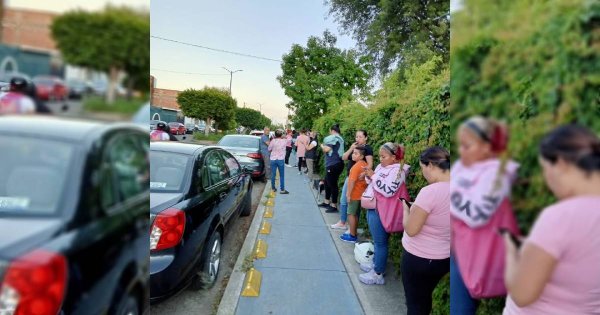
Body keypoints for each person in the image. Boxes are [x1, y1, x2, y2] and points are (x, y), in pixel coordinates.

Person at [503, 125, 600, 314]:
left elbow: (522, 295)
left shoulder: (561, 217)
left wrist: (511, 253)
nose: (547, 180)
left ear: (561, 164)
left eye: (545, 169)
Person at [450, 116, 520, 315]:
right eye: (460, 145)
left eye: (467, 146)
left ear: (487, 146)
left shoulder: (498, 173)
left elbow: (477, 214)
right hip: (459, 248)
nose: (461, 151)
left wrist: (451, 195)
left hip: (476, 249)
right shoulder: (462, 167)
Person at [401, 146, 451, 315]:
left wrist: (406, 210)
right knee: (424, 300)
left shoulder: (430, 192)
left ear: (430, 165)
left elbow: (411, 229)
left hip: (419, 258)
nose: (423, 174)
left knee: (415, 305)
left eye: (423, 169)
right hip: (444, 258)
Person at [359, 142, 409, 285]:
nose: (380, 159)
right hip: (374, 207)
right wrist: (368, 176)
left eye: (384, 156)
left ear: (394, 157)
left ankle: (378, 273)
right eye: (379, 156)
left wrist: (373, 176)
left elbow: (388, 190)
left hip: (382, 210)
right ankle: (376, 264)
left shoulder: (399, 171)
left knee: (381, 243)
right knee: (378, 241)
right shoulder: (382, 166)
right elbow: (375, 182)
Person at [331, 130, 374, 230]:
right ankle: (345, 223)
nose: (358, 139)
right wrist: (351, 148)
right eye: (356, 137)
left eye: (360, 137)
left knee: (348, 200)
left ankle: (345, 224)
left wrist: (364, 173)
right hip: (350, 176)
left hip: (358, 178)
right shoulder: (355, 147)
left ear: (366, 138)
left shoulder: (367, 149)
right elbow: (344, 157)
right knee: (346, 200)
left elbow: (370, 163)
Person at [339, 145, 368, 243]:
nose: (353, 155)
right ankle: (353, 233)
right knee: (355, 214)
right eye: (353, 153)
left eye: (356, 153)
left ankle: (352, 236)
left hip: (354, 195)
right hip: (361, 195)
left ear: (361, 156)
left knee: (350, 214)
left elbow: (351, 181)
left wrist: (348, 195)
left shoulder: (355, 167)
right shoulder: (364, 164)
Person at [318, 124, 345, 212]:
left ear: (332, 131)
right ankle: (326, 202)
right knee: (326, 182)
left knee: (332, 184)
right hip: (335, 163)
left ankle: (333, 205)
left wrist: (322, 145)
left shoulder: (333, 138)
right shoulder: (339, 138)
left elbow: (326, 149)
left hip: (334, 163)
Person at [268, 129, 289, 194]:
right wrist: (283, 136)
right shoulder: (285, 141)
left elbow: (269, 149)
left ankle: (273, 188)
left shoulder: (272, 141)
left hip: (273, 159)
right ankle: (282, 190)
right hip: (280, 159)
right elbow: (287, 137)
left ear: (275, 135)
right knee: (282, 175)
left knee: (273, 174)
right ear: (281, 135)